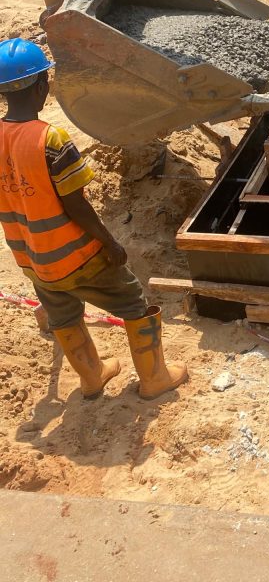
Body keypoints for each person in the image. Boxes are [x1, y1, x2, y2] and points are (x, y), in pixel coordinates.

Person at [0, 38, 187, 401]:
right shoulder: (50, 139)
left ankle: (92, 377)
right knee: (132, 299)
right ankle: (154, 378)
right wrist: (109, 242)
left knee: (63, 313)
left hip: (33, 258)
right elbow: (77, 207)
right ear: (43, 84)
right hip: (76, 255)